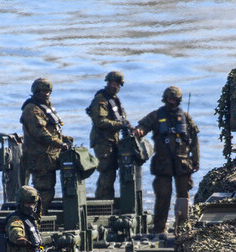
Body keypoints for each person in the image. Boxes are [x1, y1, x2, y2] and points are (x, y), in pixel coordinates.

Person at [133, 86, 200, 234]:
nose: (172, 102)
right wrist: (139, 131)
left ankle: (182, 228)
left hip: (182, 163)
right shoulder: (157, 115)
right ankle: (159, 228)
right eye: (169, 99)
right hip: (163, 163)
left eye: (174, 99)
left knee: (183, 196)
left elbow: (194, 140)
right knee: (163, 196)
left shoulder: (185, 117)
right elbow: (143, 125)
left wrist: (196, 160)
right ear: (165, 99)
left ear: (178, 100)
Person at [20, 78, 72, 212]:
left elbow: (51, 130)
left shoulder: (45, 107)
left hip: (48, 157)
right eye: (43, 91)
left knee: (48, 191)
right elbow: (40, 133)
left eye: (48, 91)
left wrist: (64, 138)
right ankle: (37, 219)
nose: (46, 94)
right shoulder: (31, 109)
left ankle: (40, 217)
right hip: (39, 158)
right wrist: (60, 143)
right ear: (36, 92)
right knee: (43, 191)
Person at [86, 70, 128, 200]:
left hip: (112, 140)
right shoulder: (101, 99)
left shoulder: (115, 100)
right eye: (112, 83)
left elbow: (122, 118)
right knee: (106, 172)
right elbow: (100, 121)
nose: (114, 86)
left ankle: (107, 201)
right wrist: (119, 125)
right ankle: (102, 203)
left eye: (117, 84)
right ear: (108, 83)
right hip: (102, 141)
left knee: (111, 173)